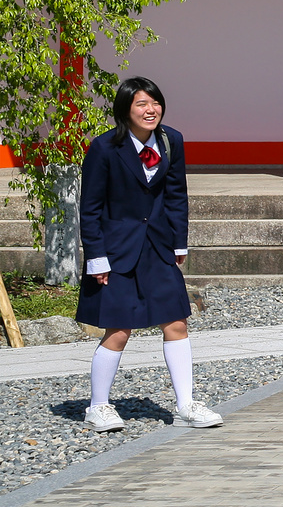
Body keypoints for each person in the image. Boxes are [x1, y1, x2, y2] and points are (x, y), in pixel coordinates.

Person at [77, 77, 223, 432]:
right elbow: (90, 207)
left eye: (154, 102)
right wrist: (96, 256)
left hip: (158, 245)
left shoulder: (172, 141)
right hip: (116, 251)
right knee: (118, 329)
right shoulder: (104, 148)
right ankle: (98, 407)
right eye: (141, 104)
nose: (150, 109)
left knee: (175, 322)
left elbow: (176, 194)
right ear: (125, 110)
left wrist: (179, 242)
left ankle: (186, 405)